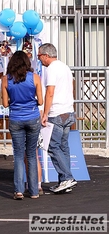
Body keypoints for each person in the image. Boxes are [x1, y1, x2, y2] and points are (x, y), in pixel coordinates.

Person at [1, 51, 43, 200]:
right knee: (31, 154)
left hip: (16, 118)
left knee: (18, 155)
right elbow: (40, 101)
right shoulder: (35, 77)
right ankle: (34, 191)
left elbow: (5, 103)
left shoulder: (6, 80)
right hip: (32, 117)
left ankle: (18, 190)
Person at [38, 43, 77, 193]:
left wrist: (45, 113)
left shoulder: (52, 69)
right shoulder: (65, 67)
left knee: (53, 146)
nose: (39, 59)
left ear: (46, 56)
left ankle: (66, 178)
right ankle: (65, 180)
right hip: (68, 111)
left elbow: (50, 92)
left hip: (57, 112)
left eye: (40, 56)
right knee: (63, 147)